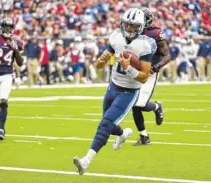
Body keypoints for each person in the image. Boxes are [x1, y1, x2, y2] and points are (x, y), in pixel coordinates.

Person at [73, 8, 156, 175]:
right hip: (113, 86)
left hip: (129, 91)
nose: (129, 29)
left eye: (133, 26)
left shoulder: (145, 45)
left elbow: (144, 77)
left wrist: (129, 69)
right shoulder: (116, 36)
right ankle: (123, 133)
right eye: (127, 25)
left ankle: (86, 160)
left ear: (140, 28)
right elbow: (99, 64)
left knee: (105, 124)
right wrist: (100, 62)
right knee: (108, 123)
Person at [132, 7, 171, 145]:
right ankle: (144, 137)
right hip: (135, 71)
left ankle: (156, 107)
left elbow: (167, 56)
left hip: (150, 72)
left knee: (140, 104)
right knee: (134, 105)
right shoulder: (132, 32)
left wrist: (155, 67)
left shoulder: (156, 33)